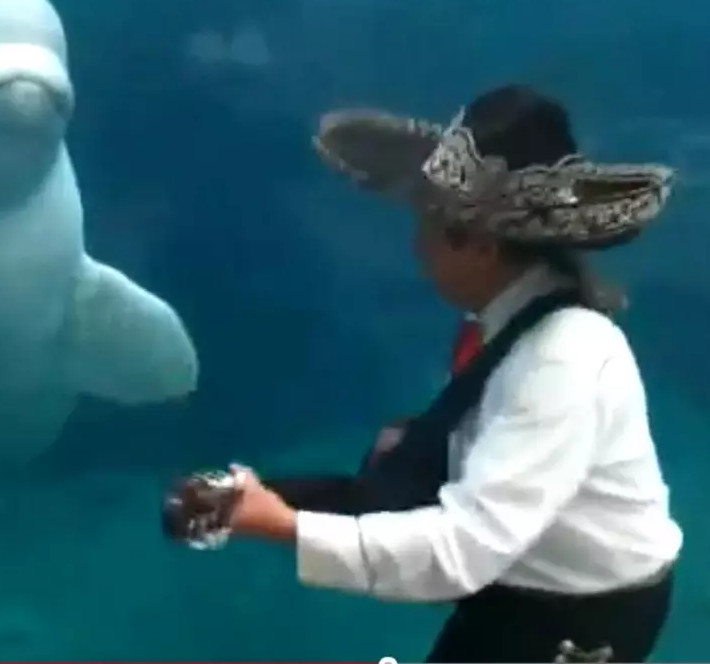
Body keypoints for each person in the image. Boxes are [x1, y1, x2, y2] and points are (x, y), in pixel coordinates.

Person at [207, 86, 682, 662]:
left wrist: (283, 525)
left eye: (428, 222)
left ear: (480, 245)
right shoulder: (514, 327)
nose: (418, 244)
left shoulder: (562, 356)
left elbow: (463, 549)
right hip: (524, 588)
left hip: (574, 621)